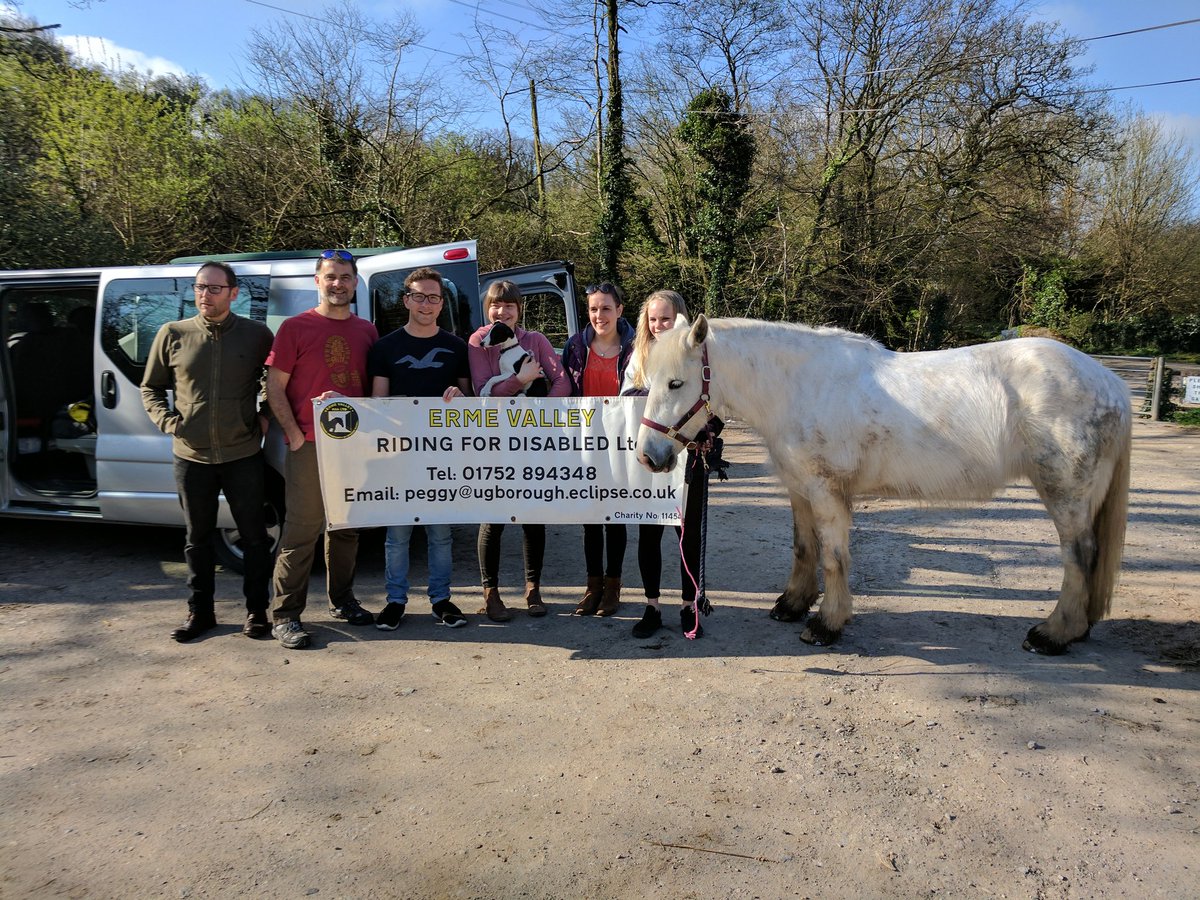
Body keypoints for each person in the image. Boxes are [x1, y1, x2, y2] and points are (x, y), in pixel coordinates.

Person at [140, 261, 275, 642]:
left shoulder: (256, 335)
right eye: (200, 288)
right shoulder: (173, 333)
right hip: (191, 455)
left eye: (215, 288)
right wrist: (170, 423)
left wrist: (264, 417)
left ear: (233, 293)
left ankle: (257, 613)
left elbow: (275, 382)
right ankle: (200, 613)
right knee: (197, 539)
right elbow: (150, 388)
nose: (206, 295)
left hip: (243, 453)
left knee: (254, 538)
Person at [265, 249, 379, 649]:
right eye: (331, 277)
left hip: (352, 448)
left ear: (354, 283)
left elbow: (370, 392)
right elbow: (273, 387)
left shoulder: (367, 331)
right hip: (309, 446)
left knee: (347, 529)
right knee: (301, 532)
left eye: (345, 277)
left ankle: (342, 599)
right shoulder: (295, 328)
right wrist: (295, 435)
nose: (338, 284)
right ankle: (285, 615)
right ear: (318, 281)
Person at [369, 267, 472, 631]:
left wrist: (461, 396)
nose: (425, 304)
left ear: (442, 304)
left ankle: (441, 599)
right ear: (405, 300)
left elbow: (470, 400)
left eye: (433, 298)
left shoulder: (457, 347)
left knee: (440, 534)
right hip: (397, 454)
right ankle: (395, 601)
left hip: (441, 457)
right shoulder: (385, 347)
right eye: (418, 296)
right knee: (397, 536)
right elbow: (377, 405)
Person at [468, 280, 570, 621]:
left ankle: (533, 589)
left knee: (532, 516)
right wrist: (520, 381)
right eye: (496, 305)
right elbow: (485, 391)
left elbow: (562, 382)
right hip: (494, 441)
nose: (502, 311)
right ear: (488, 309)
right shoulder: (479, 342)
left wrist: (539, 411)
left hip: (531, 439)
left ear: (519, 309)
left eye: (509, 305)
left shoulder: (536, 341)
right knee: (493, 518)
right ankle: (491, 593)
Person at [620, 289, 718, 638]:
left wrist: (709, 432)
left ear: (679, 319)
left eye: (665, 318)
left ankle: (689, 605)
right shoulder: (638, 357)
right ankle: (651, 605)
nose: (659, 325)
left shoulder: (695, 355)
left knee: (686, 534)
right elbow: (625, 400)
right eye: (653, 318)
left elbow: (712, 400)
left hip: (689, 455)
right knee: (649, 532)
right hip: (651, 453)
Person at [561, 281, 635, 617]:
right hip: (586, 443)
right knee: (590, 518)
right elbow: (563, 390)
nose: (599, 315)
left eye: (606, 308)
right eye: (593, 309)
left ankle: (613, 587)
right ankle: (592, 587)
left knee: (615, 517)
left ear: (620, 310)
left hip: (622, 445)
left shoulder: (636, 348)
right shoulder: (575, 346)